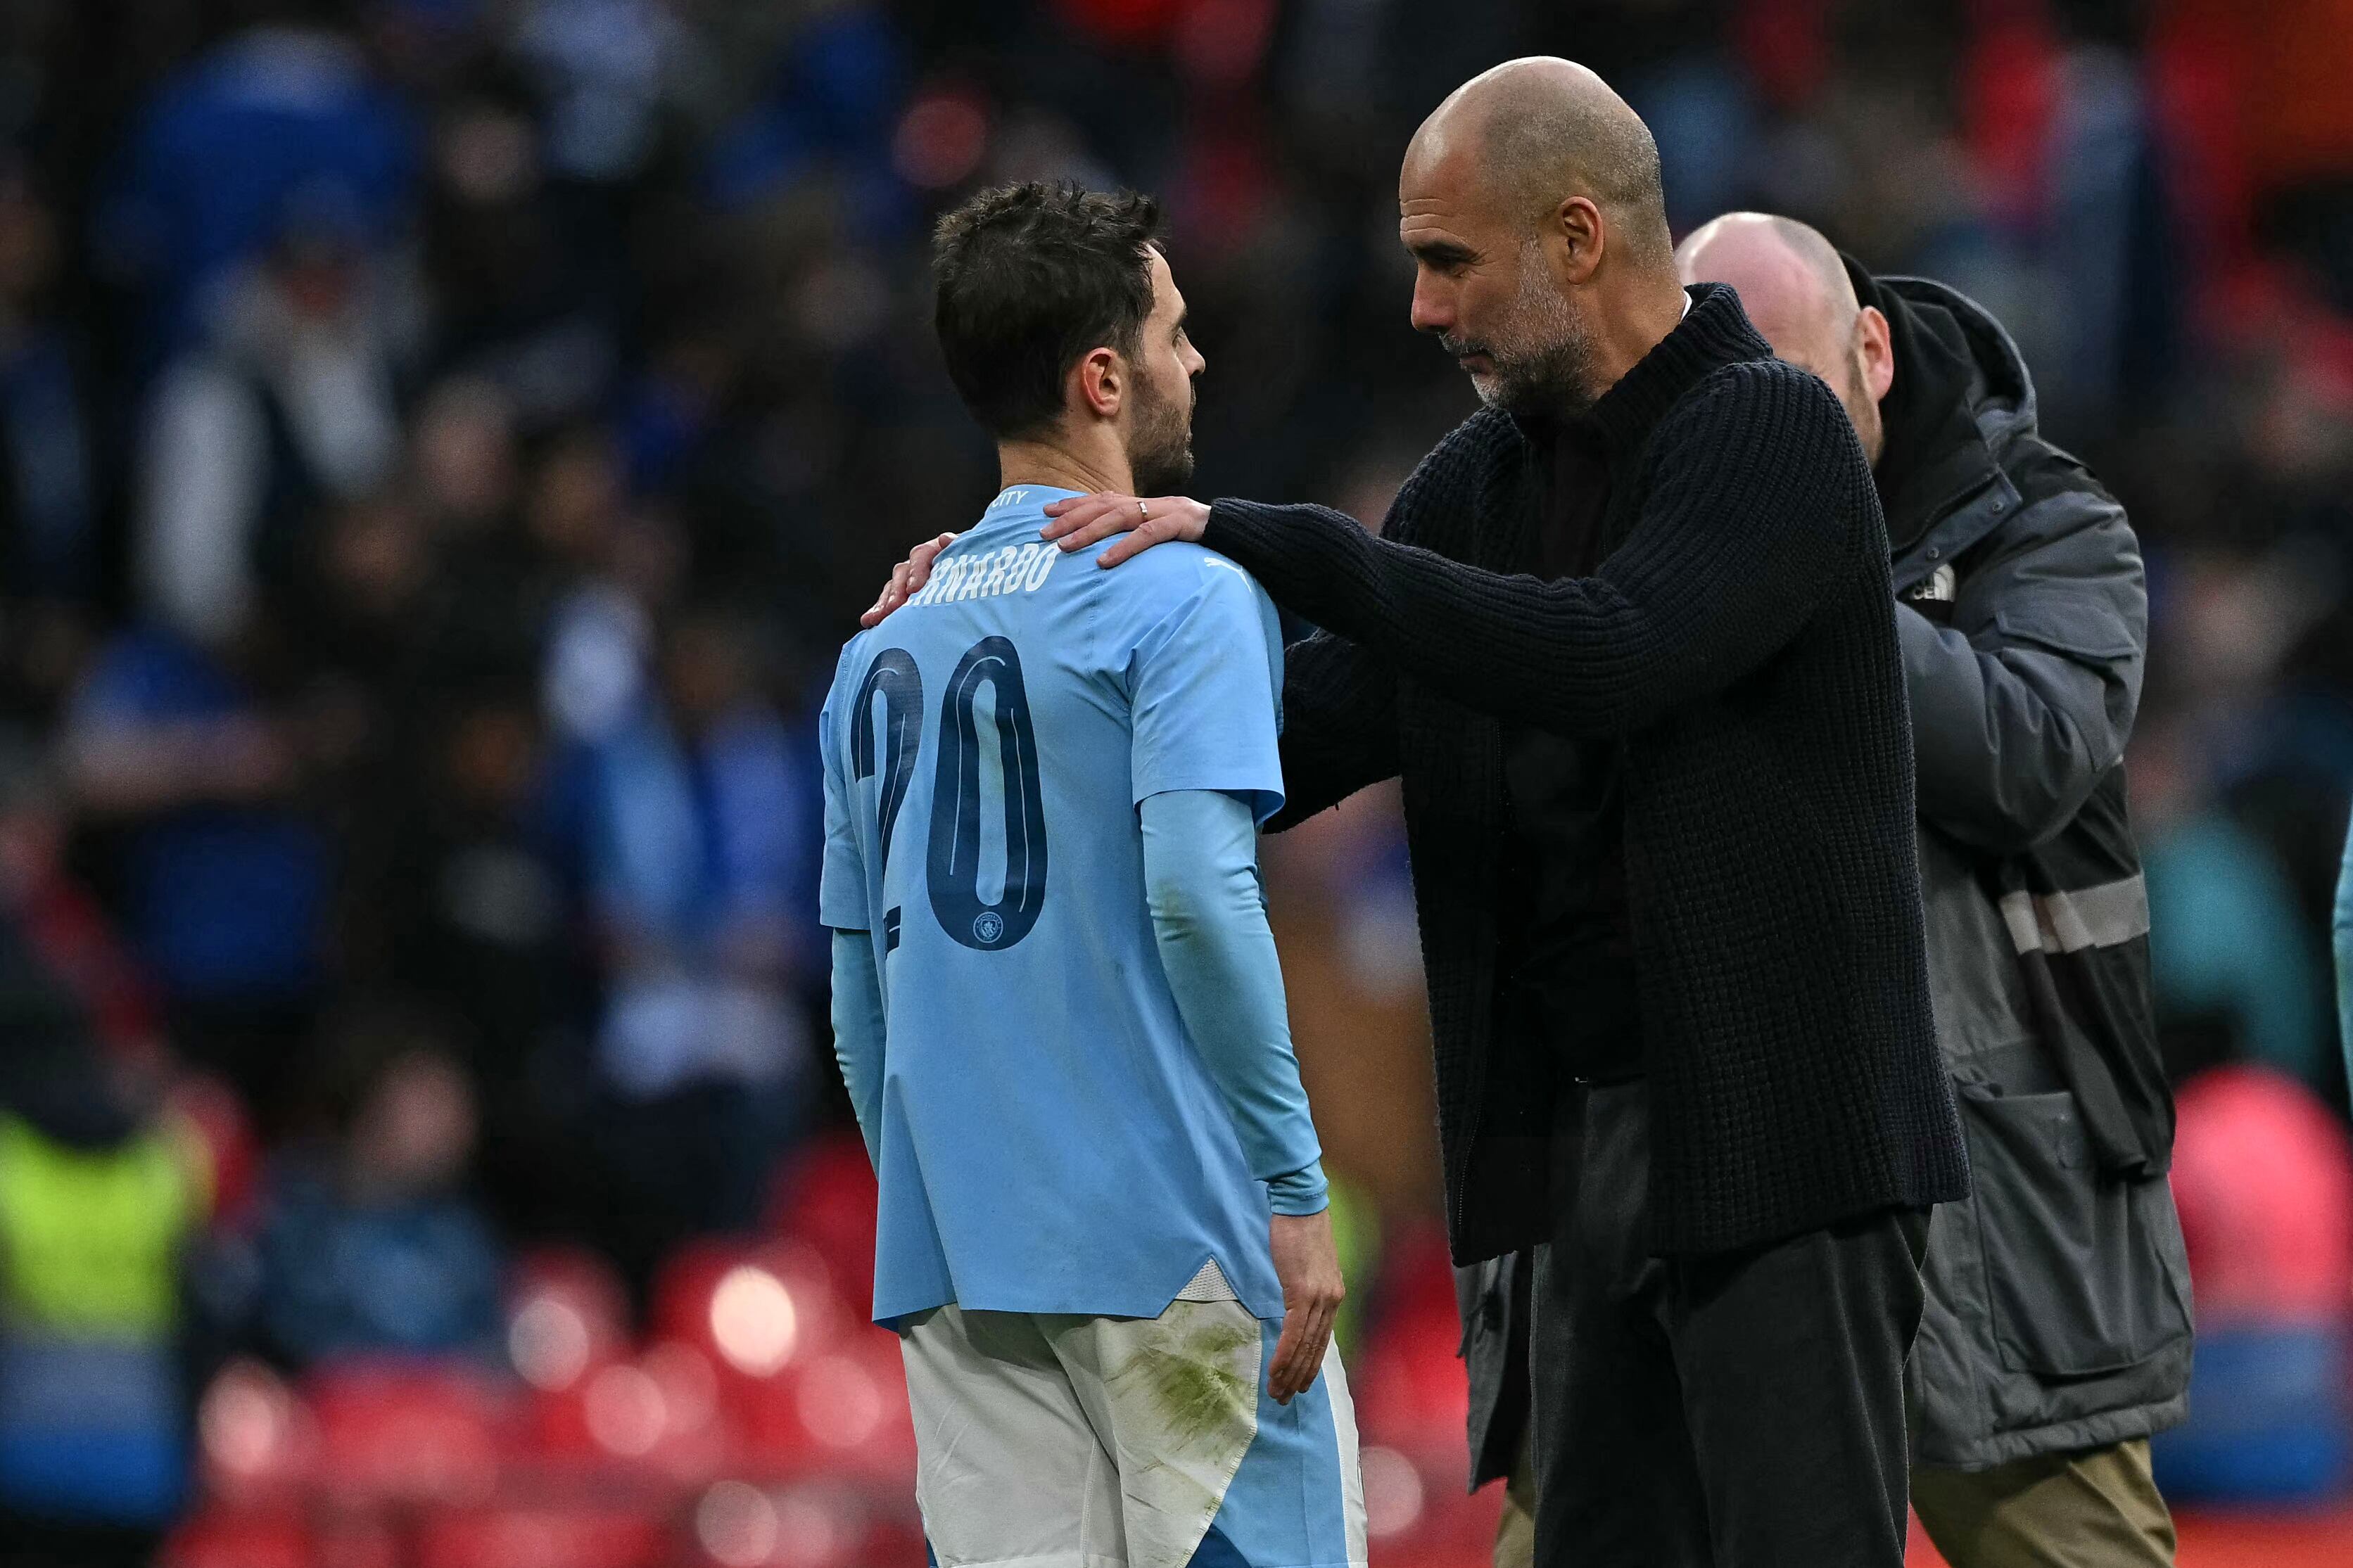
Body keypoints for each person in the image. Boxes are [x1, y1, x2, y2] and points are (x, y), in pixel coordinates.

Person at [871, 60, 1967, 1568]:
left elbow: (1611, 649)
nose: (1420, 308)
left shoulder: (1768, 432)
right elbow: (1293, 732)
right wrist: (1000, 611)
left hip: (1788, 1148)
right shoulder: (1478, 487)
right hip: (1582, 1150)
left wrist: (1261, 540)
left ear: (1576, 236)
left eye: (1448, 261)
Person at [820, 182, 1364, 1568]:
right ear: (1102, 375)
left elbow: (857, 997)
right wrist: (1293, 1192)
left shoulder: (875, 645)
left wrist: (937, 1195)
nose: (1198, 361)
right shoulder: (1183, 587)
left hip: (956, 1263)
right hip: (1172, 1260)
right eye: (1174, 332)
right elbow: (1195, 886)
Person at [1669, 212, 2193, 1568]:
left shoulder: (2054, 529)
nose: (1753, 439)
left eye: (1782, 392)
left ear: (1875, 351)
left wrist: (1803, 568)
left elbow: (2025, 755)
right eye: (1714, 406)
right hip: (1738, 1183)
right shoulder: (1648, 538)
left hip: (2001, 1209)